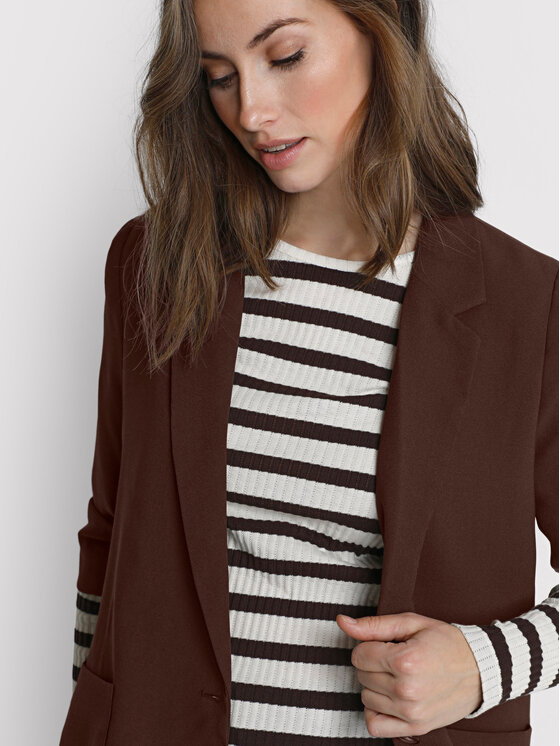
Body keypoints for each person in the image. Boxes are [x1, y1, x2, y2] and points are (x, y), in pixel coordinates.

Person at [60, 1, 558, 744]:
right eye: (219, 76)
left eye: (285, 56)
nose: (252, 112)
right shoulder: (156, 263)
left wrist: (485, 666)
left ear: (383, 29)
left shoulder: (526, 304)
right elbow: (110, 536)